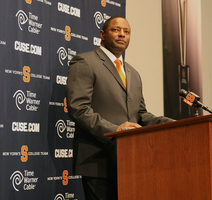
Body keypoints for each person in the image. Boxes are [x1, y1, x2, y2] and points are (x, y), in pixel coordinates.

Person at [65, 15, 173, 200]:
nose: (122, 34)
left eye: (126, 31)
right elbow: (79, 109)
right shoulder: (85, 62)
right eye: (116, 30)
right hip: (98, 160)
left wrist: (172, 123)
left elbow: (139, 114)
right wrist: (116, 131)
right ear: (102, 34)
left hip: (131, 161)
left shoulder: (133, 73)